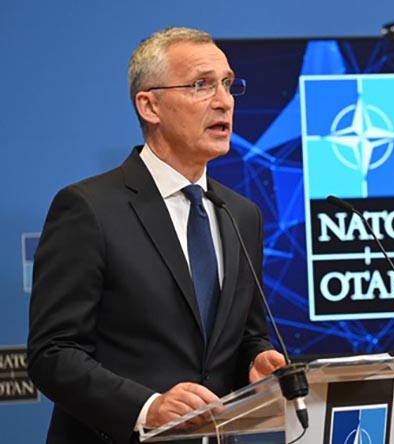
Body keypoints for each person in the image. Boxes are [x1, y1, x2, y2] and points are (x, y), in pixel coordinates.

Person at [27, 27, 286, 444]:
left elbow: (242, 335)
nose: (223, 101)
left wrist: (255, 361)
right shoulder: (88, 208)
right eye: (201, 85)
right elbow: (52, 355)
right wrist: (148, 407)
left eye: (227, 84)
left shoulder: (242, 214)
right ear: (149, 105)